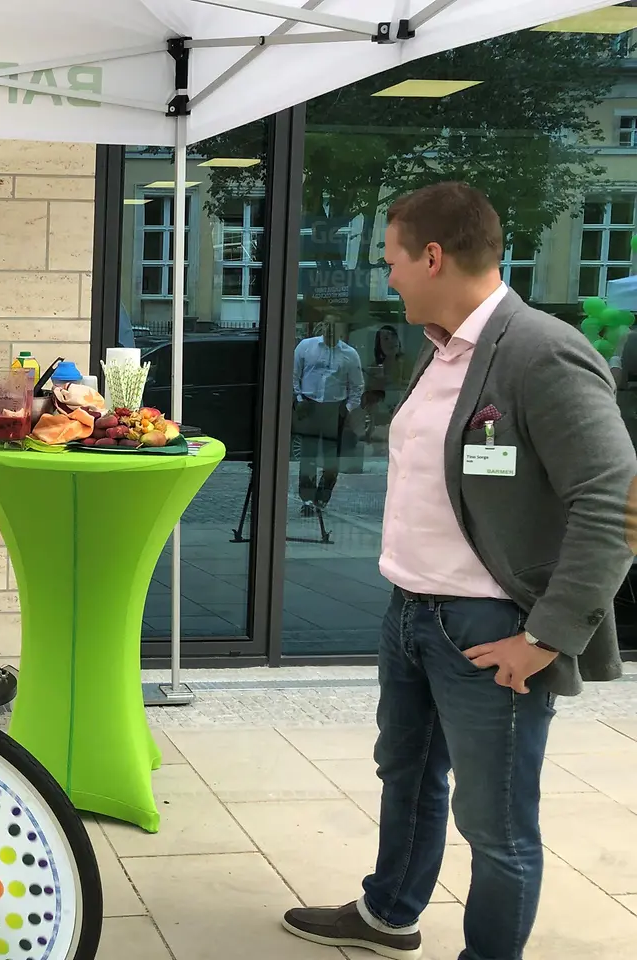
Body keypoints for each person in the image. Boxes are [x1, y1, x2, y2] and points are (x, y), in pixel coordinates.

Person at [281, 182, 637, 960]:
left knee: (496, 823)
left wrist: (547, 637)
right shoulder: (441, 347)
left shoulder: (541, 351)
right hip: (413, 611)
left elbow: (614, 502)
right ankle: (388, 915)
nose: (388, 277)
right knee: (406, 776)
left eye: (393, 260)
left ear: (433, 257)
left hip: (491, 629)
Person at [292, 315, 365, 515]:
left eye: (334, 326)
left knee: (332, 460)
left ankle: (322, 499)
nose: (329, 329)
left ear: (341, 329)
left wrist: (348, 408)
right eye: (326, 325)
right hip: (309, 405)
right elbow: (293, 374)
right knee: (308, 457)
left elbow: (357, 386)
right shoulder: (306, 347)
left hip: (335, 408)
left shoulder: (350, 354)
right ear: (321, 326)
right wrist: (299, 399)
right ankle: (307, 500)